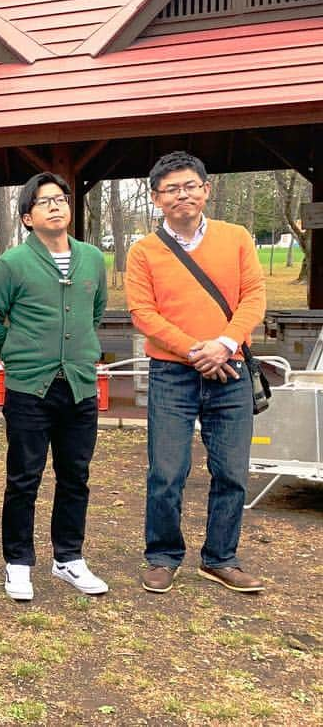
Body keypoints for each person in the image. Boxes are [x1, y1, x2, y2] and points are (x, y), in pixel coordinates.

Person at [126, 151, 266, 594]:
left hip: (232, 366)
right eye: (171, 189)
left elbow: (253, 296)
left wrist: (224, 344)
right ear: (155, 199)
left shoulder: (236, 237)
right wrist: (194, 349)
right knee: (167, 469)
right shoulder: (144, 251)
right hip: (172, 372)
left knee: (233, 471)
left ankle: (221, 557)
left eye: (189, 185)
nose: (181, 195)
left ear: (206, 189)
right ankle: (163, 555)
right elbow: (142, 312)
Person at [0, 172, 109, 602]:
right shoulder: (14, 263)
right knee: (24, 477)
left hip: (80, 386)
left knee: (76, 475)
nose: (55, 206)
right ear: (27, 217)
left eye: (61, 198)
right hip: (29, 388)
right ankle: (18, 562)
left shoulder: (91, 258)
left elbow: (95, 312)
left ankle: (68, 557)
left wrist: (79, 352)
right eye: (44, 201)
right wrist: (18, 353)